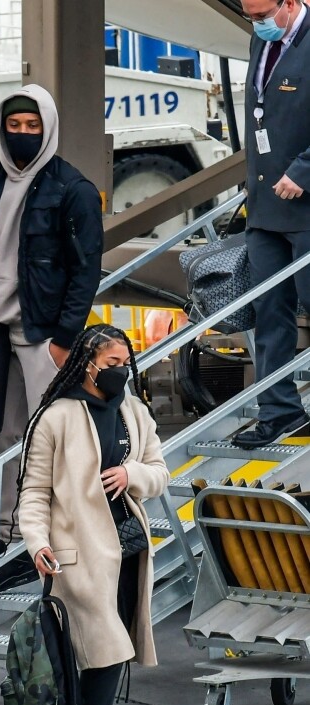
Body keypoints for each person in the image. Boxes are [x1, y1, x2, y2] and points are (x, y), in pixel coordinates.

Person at [18, 325, 170, 705]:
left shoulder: (134, 411)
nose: (121, 371)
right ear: (87, 365)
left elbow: (161, 472)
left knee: (110, 655)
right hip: (76, 559)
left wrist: (133, 474)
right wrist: (36, 541)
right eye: (111, 364)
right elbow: (34, 492)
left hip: (128, 552)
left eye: (126, 362)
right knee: (103, 656)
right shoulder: (55, 418)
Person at [0, 84, 104, 597]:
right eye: (13, 127)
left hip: (42, 335)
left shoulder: (73, 190)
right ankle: (5, 545)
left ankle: (53, 544)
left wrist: (65, 339)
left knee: (50, 443)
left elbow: (85, 273)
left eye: (32, 127)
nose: (21, 135)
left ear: (48, 128)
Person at [233, 0, 310, 449]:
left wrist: (302, 172)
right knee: (270, 313)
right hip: (265, 207)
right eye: (250, 17)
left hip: (303, 205)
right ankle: (280, 412)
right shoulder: (261, 42)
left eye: (263, 15)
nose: (258, 23)